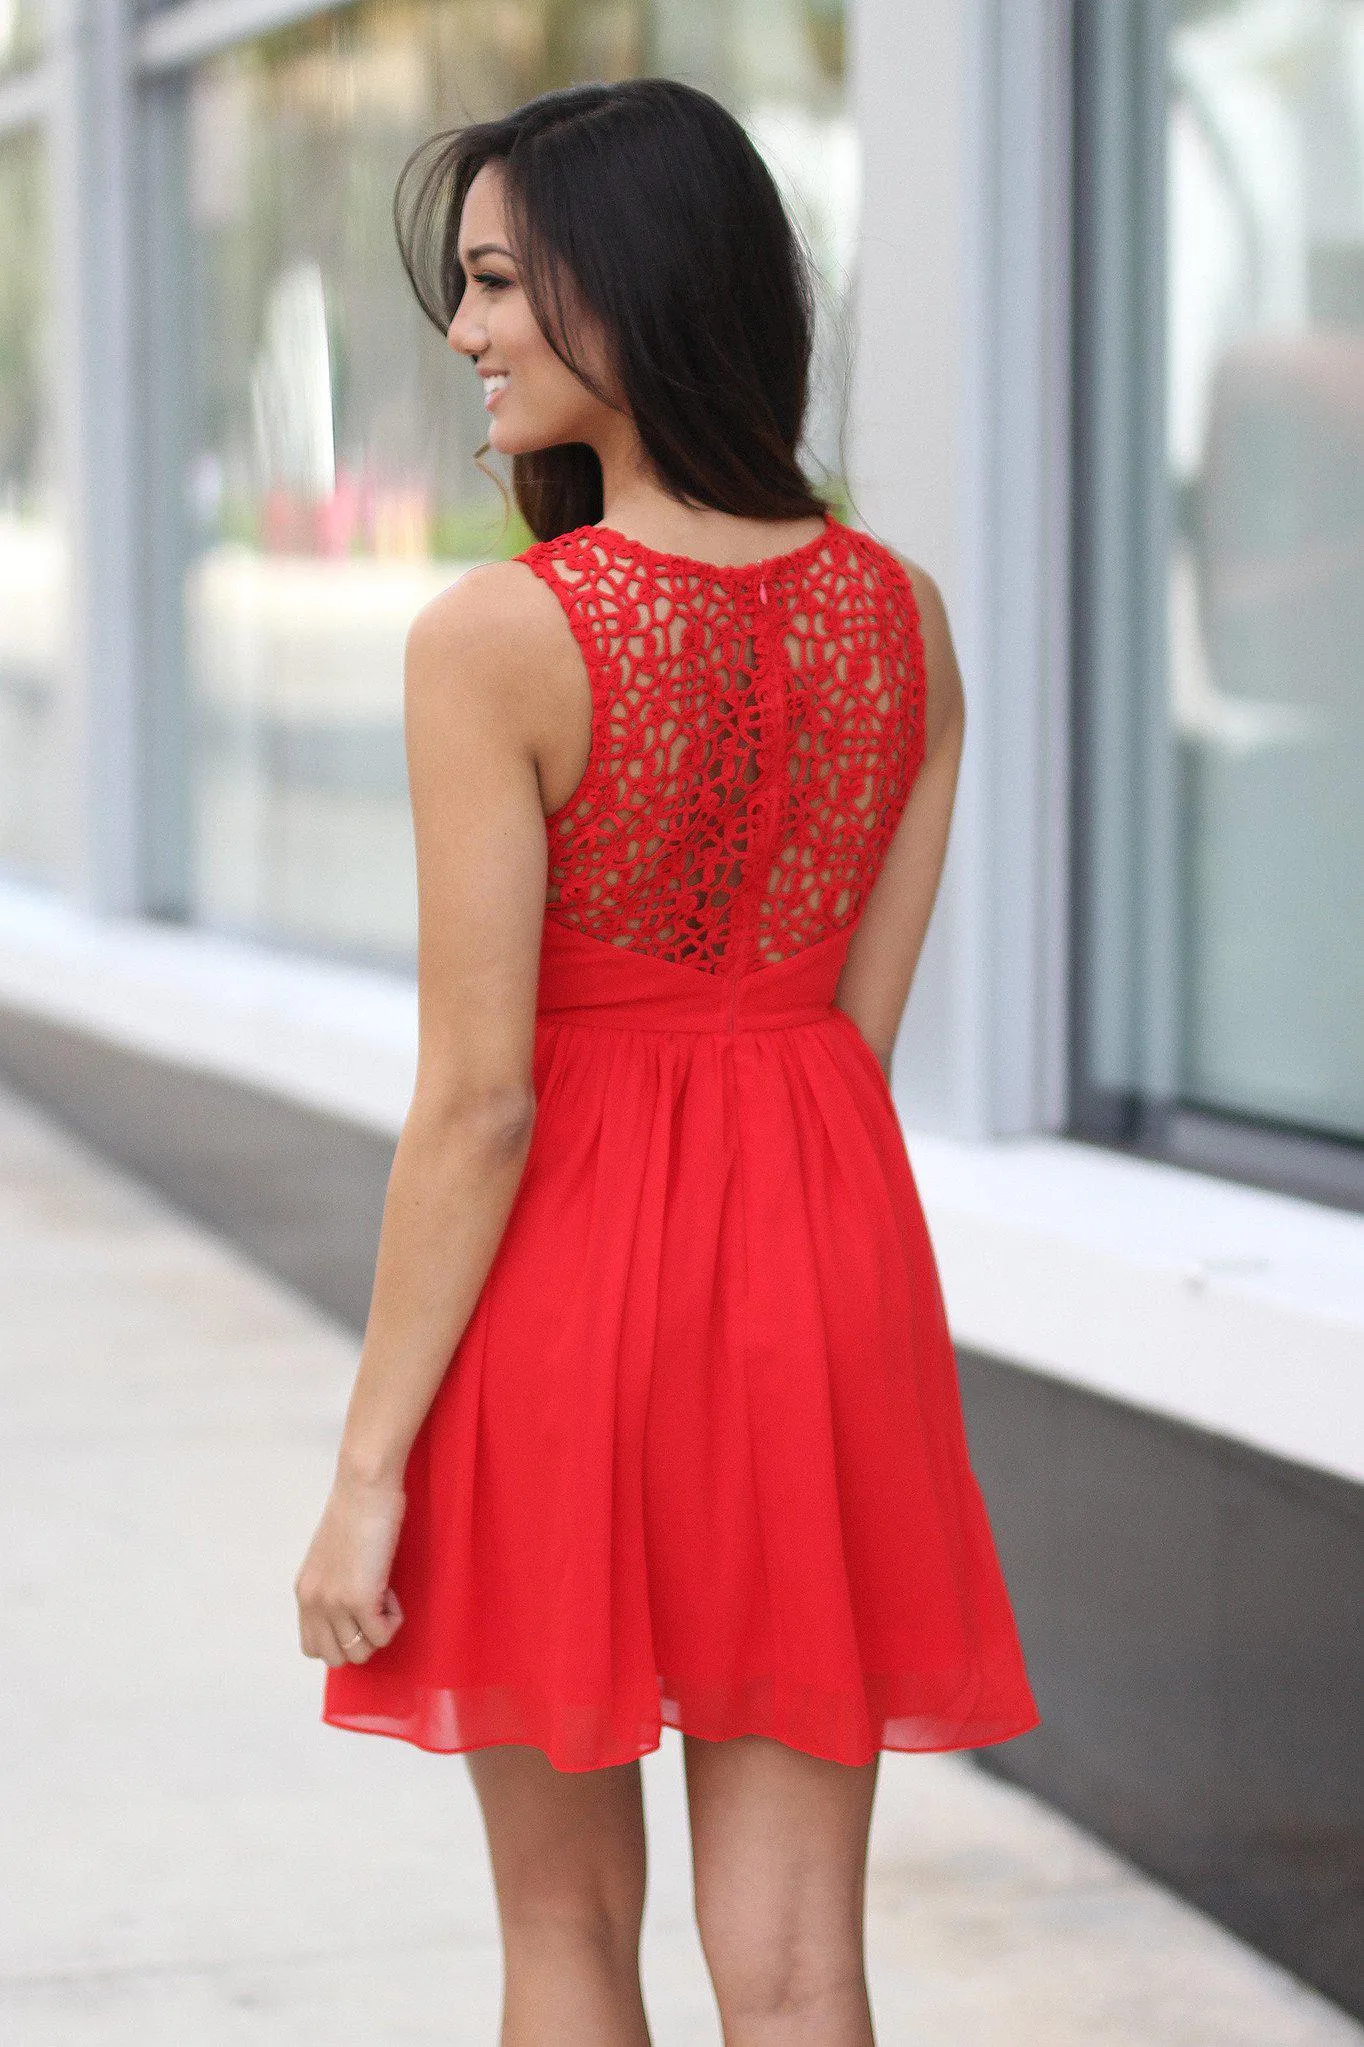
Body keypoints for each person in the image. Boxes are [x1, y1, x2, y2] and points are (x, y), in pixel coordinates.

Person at [294, 75, 1038, 2047]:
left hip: (564, 1308)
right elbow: (839, 1049)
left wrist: (367, 1466)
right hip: (817, 1293)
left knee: (562, 1944)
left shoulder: (496, 640)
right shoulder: (906, 625)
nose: (464, 334)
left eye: (493, 285)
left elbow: (479, 1101)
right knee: (800, 1974)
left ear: (627, 287)